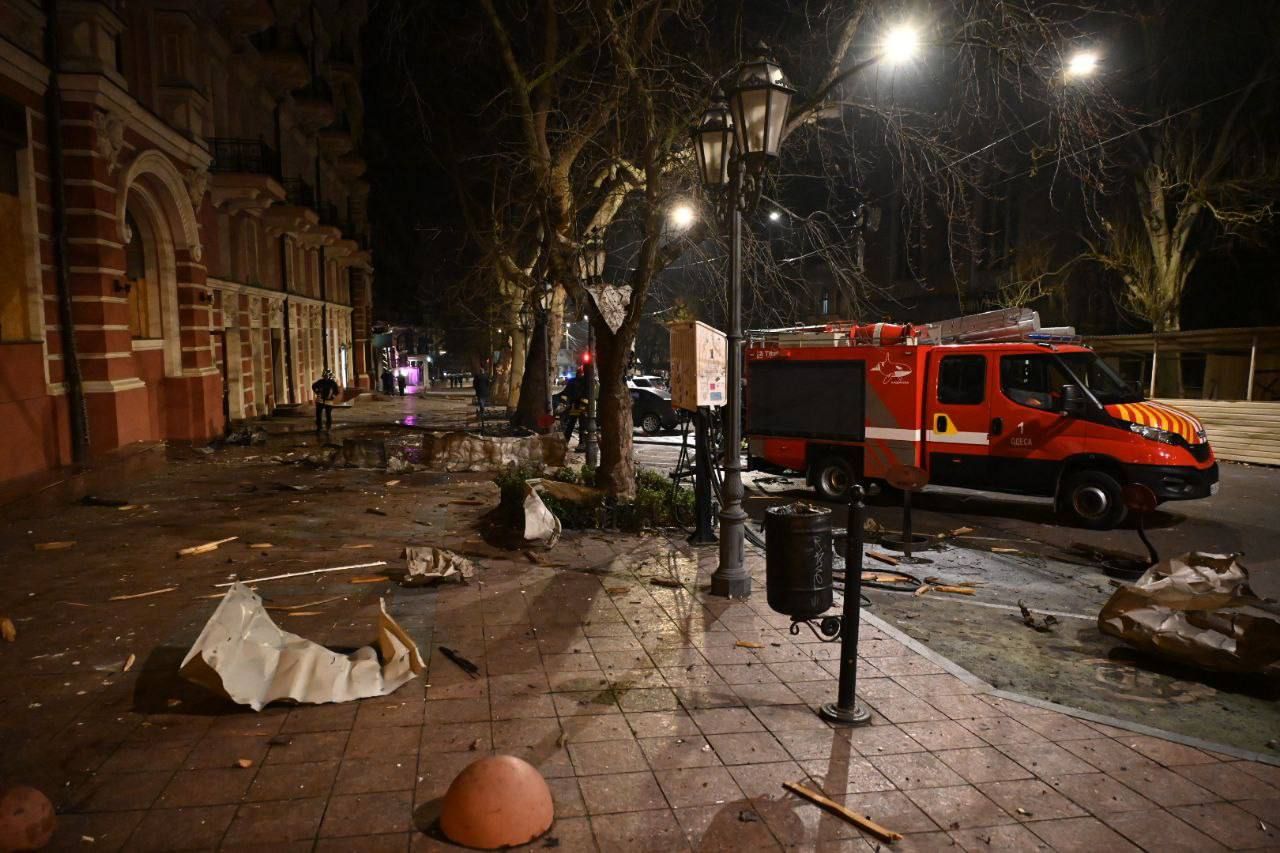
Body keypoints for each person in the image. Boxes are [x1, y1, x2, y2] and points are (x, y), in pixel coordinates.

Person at [560, 369, 589, 446]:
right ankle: (572, 441)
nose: (578, 374)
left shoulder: (581, 381)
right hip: (578, 406)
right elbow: (566, 393)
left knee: (579, 424)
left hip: (579, 406)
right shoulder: (584, 381)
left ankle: (579, 442)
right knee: (575, 424)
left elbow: (567, 393)